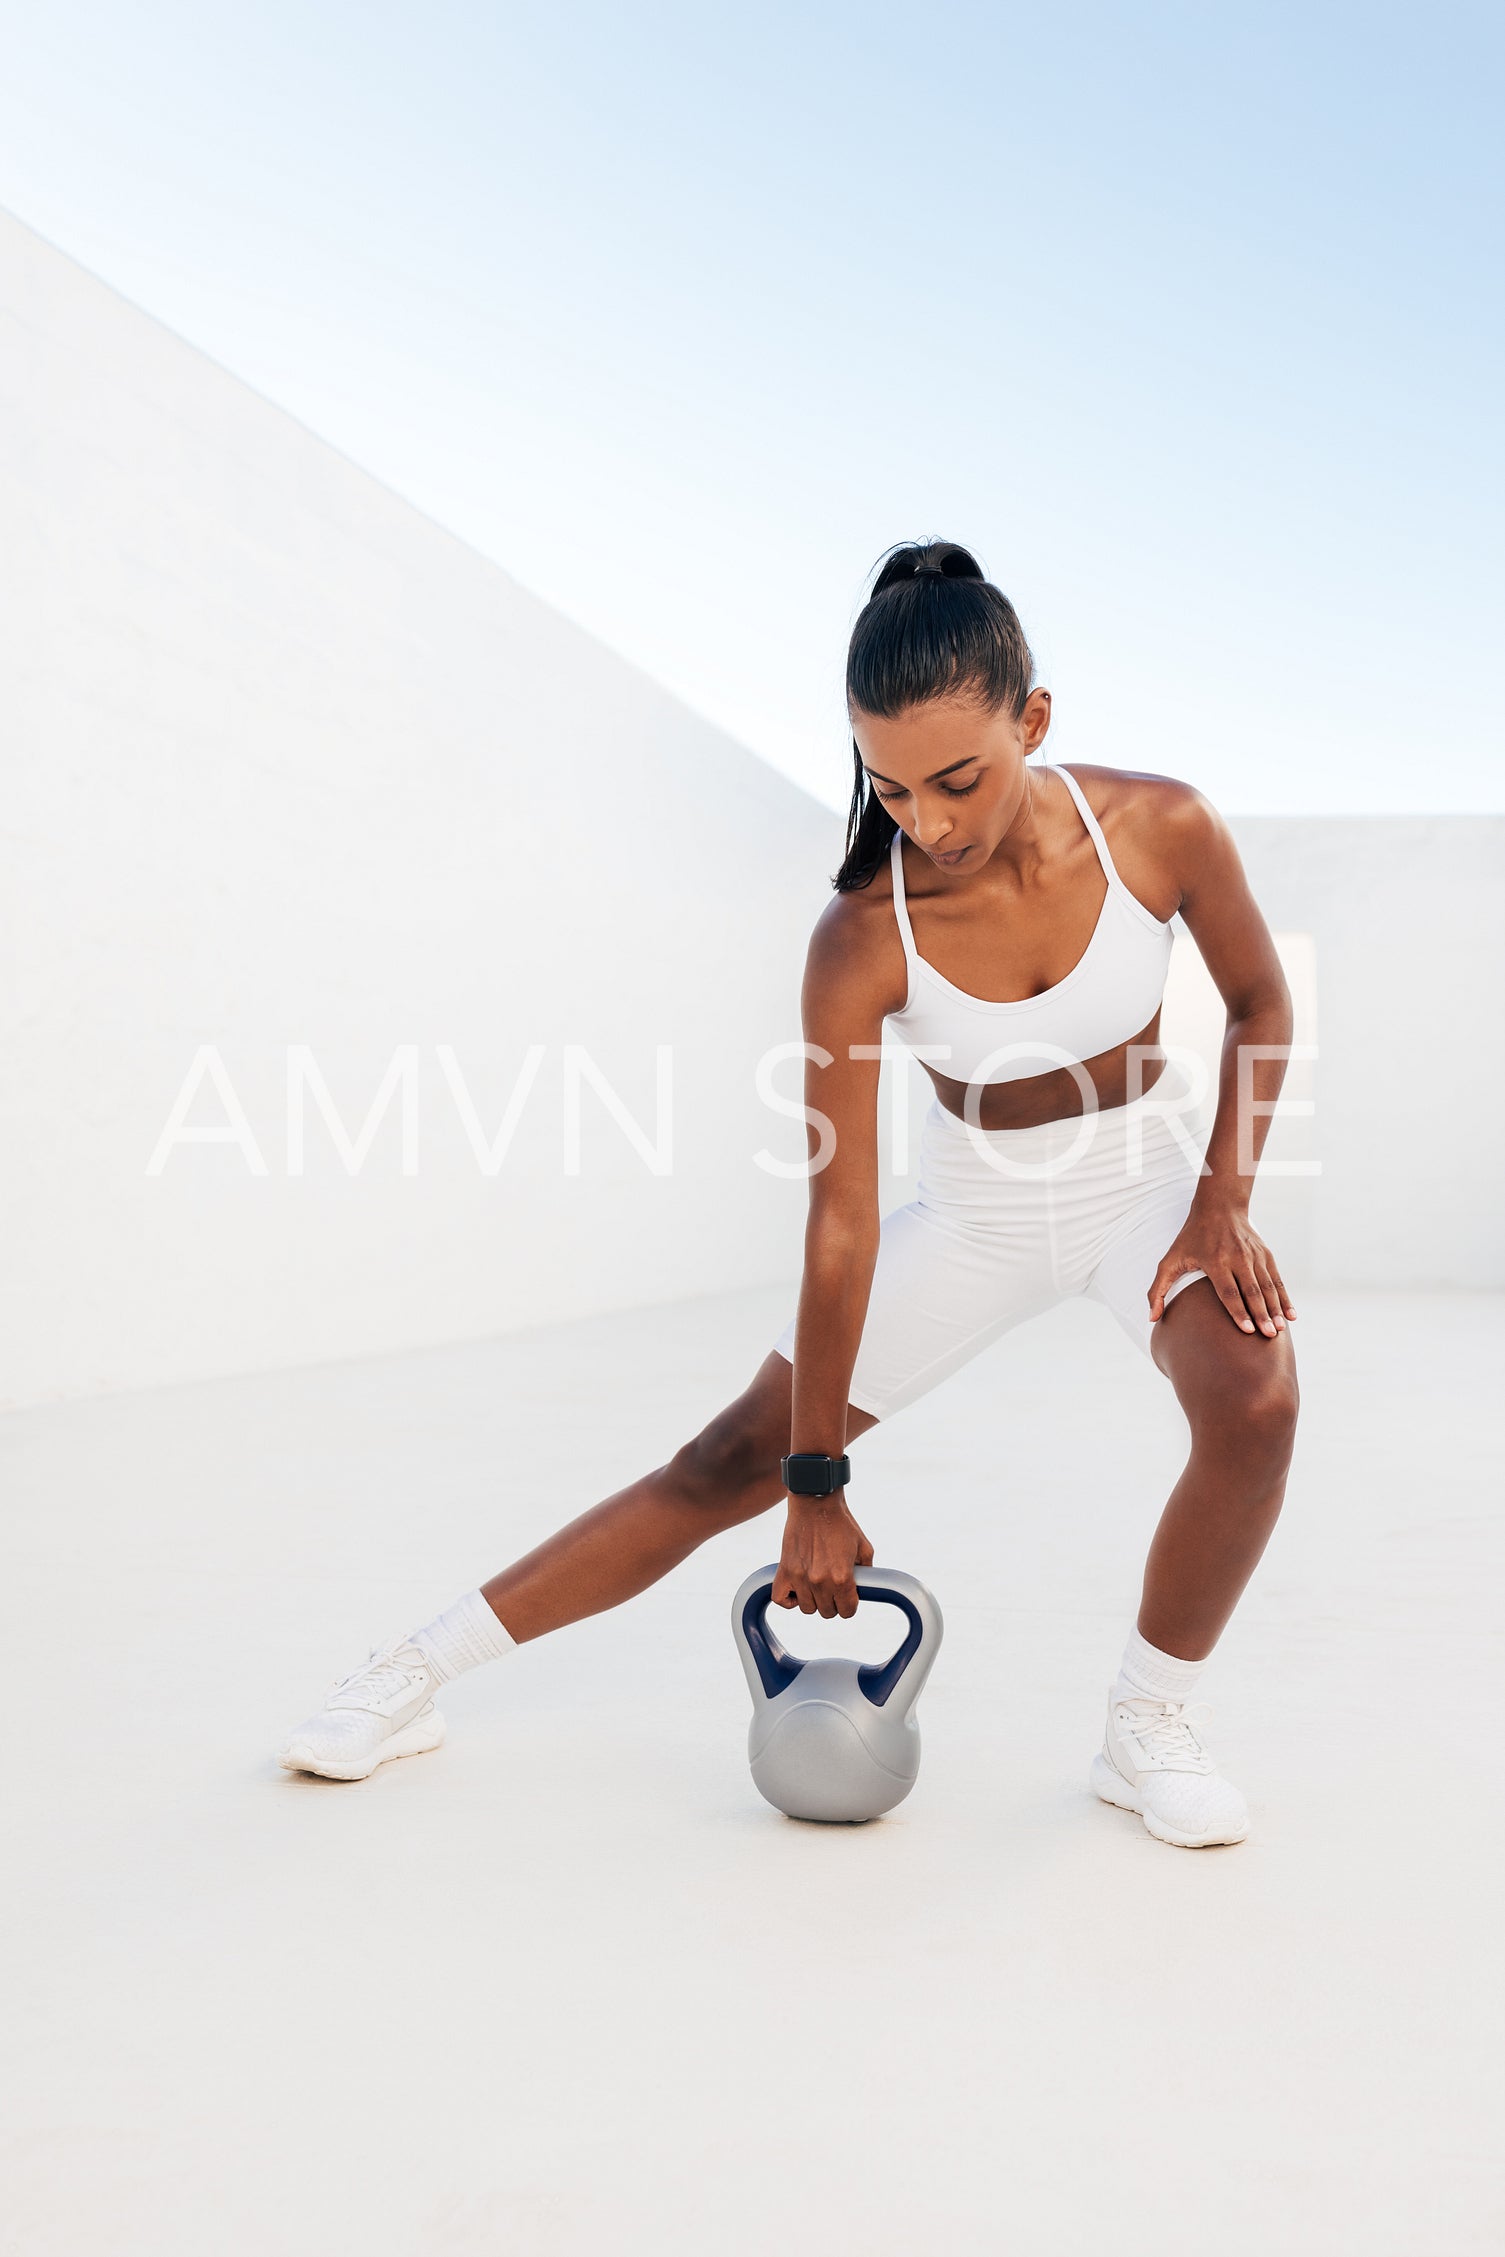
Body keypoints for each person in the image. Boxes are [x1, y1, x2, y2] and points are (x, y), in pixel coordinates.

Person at [278, 540, 1300, 1849]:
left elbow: (1261, 1001)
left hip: (1138, 1187)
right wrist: (813, 1477)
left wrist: (1219, 1197)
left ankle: (1144, 1726)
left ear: (1030, 719)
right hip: (975, 1211)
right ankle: (406, 1675)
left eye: (956, 779)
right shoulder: (863, 932)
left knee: (1256, 1399)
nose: (924, 821)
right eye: (888, 785)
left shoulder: (1160, 827)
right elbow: (842, 1217)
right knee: (723, 1463)